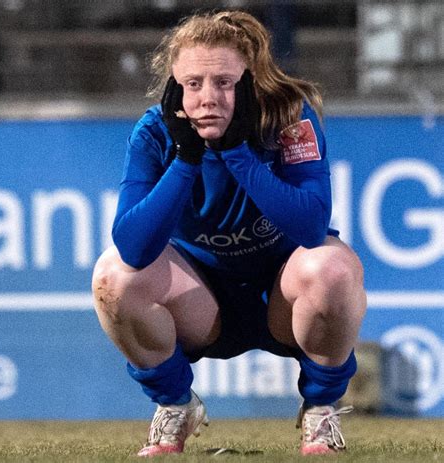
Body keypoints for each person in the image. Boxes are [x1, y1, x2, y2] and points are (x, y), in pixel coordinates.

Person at [92, 9, 367, 457]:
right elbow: (134, 247)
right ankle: (176, 406)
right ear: (174, 87)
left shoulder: (289, 117)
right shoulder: (154, 132)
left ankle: (321, 410)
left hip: (284, 300)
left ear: (250, 81)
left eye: (224, 82)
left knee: (333, 268)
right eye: (193, 84)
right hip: (201, 304)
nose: (207, 98)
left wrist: (237, 152)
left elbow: (312, 226)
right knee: (113, 277)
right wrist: (186, 157)